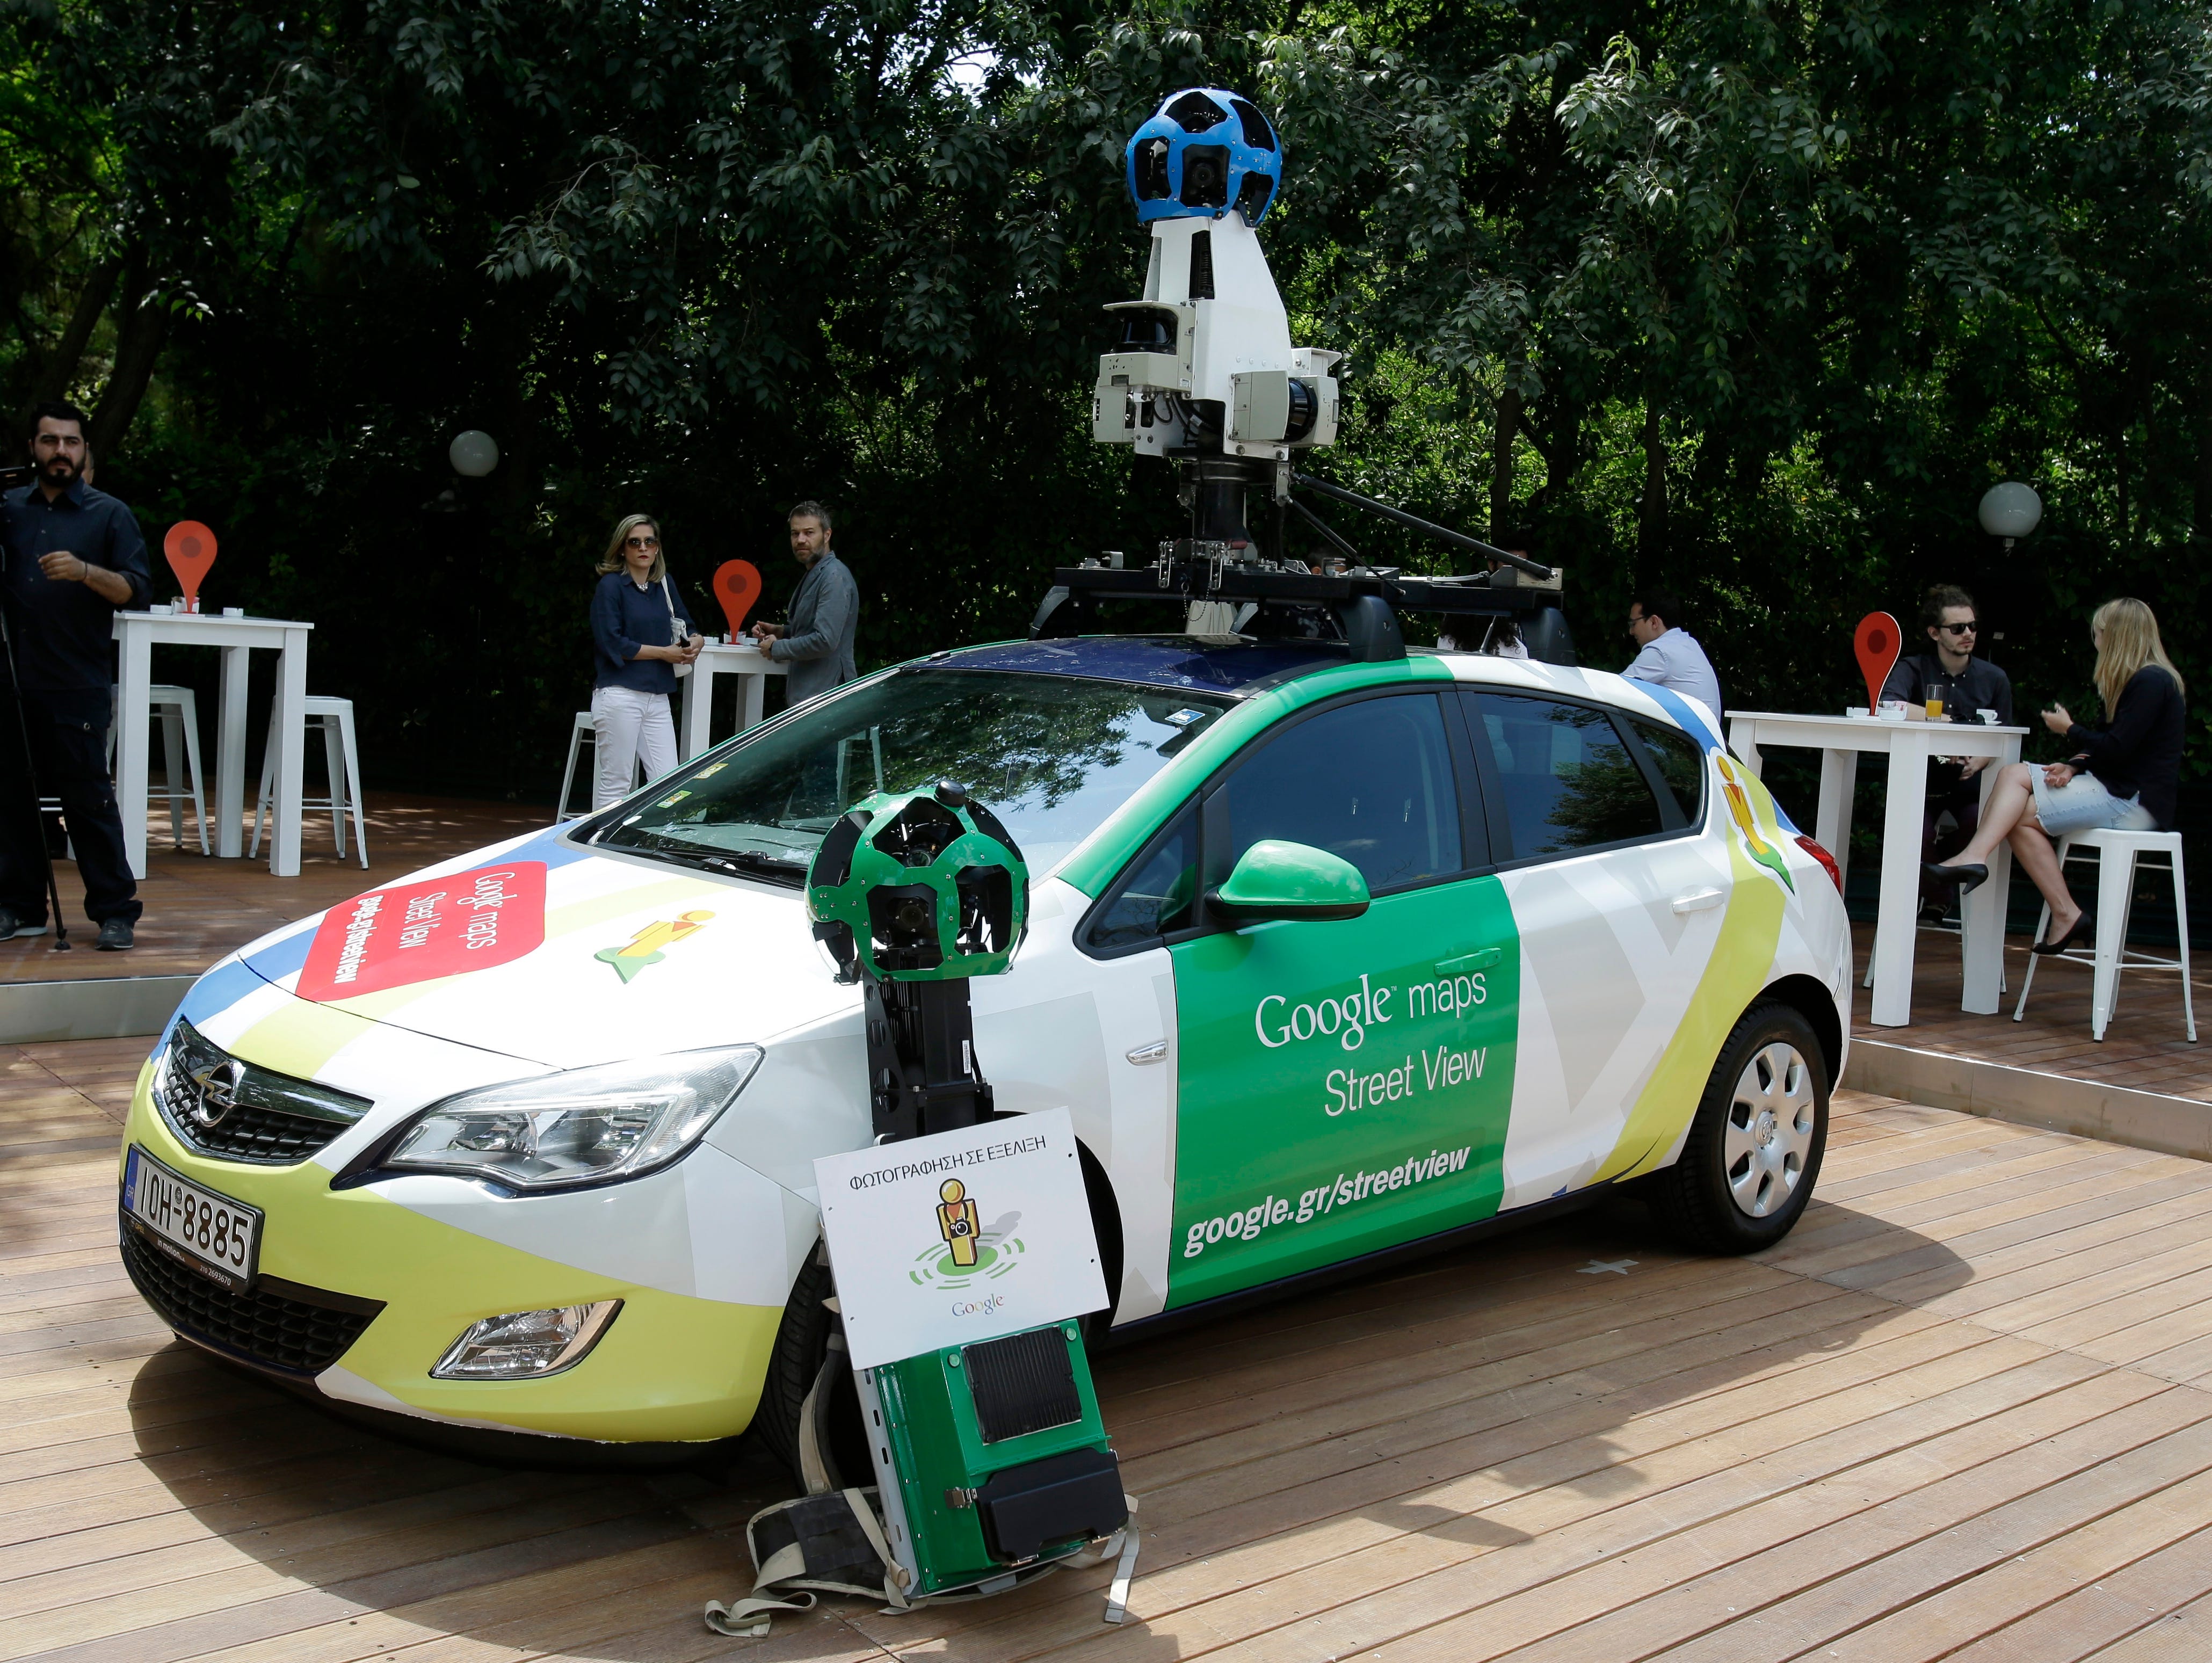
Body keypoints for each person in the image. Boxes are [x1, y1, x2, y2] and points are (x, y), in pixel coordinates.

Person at [1926, 598, 2184, 955]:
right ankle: (2065, 913)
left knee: (2014, 776)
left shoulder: (2150, 682)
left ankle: (1975, 855)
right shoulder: (2139, 681)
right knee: (2013, 813)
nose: (2094, 640)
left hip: (2133, 802)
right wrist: (2074, 764)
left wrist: (2069, 729)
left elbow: (2116, 749)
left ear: (2115, 637)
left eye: (2098, 633)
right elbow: (2115, 745)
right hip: (2119, 791)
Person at [0, 402, 150, 949]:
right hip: (14, 680)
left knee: (88, 801)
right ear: (33, 449)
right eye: (49, 441)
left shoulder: (109, 515)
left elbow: (136, 588)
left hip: (76, 681)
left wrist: (86, 572)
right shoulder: (9, 509)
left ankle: (115, 911)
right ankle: (20, 907)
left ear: (85, 449)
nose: (60, 451)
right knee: (11, 801)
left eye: (70, 441)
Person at [1880, 585, 2016, 916]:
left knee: (1980, 824)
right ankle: (1937, 897)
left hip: (1970, 784)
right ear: (1935, 633)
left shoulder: (1994, 678)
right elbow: (1887, 704)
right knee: (1915, 831)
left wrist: (1982, 758)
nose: (1968, 634)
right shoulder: (1913, 669)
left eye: (1972, 626)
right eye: (1957, 628)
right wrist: (1946, 722)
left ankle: (1942, 889)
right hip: (1922, 780)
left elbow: (2007, 736)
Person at [588, 514, 702, 810]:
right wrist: (664, 653)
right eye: (634, 542)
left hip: (658, 694)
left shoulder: (663, 584)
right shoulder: (611, 586)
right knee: (617, 783)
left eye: (649, 541)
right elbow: (613, 642)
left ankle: (652, 848)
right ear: (622, 548)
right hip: (620, 692)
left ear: (657, 548)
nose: (643, 547)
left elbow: (687, 624)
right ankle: (598, 849)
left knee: (668, 782)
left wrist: (697, 642)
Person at [751, 500, 858, 704]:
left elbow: (825, 641)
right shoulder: (817, 573)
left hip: (828, 696)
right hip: (813, 694)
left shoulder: (834, 576)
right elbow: (813, 631)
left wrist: (777, 648)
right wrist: (782, 631)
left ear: (827, 535)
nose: (800, 540)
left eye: (809, 533)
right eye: (795, 533)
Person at [1622, 585, 1722, 718]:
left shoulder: (1660, 651)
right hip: (1704, 735)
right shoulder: (1688, 643)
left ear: (1654, 622)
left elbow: (1617, 691)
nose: (1631, 632)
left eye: (1633, 624)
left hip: (1688, 737)